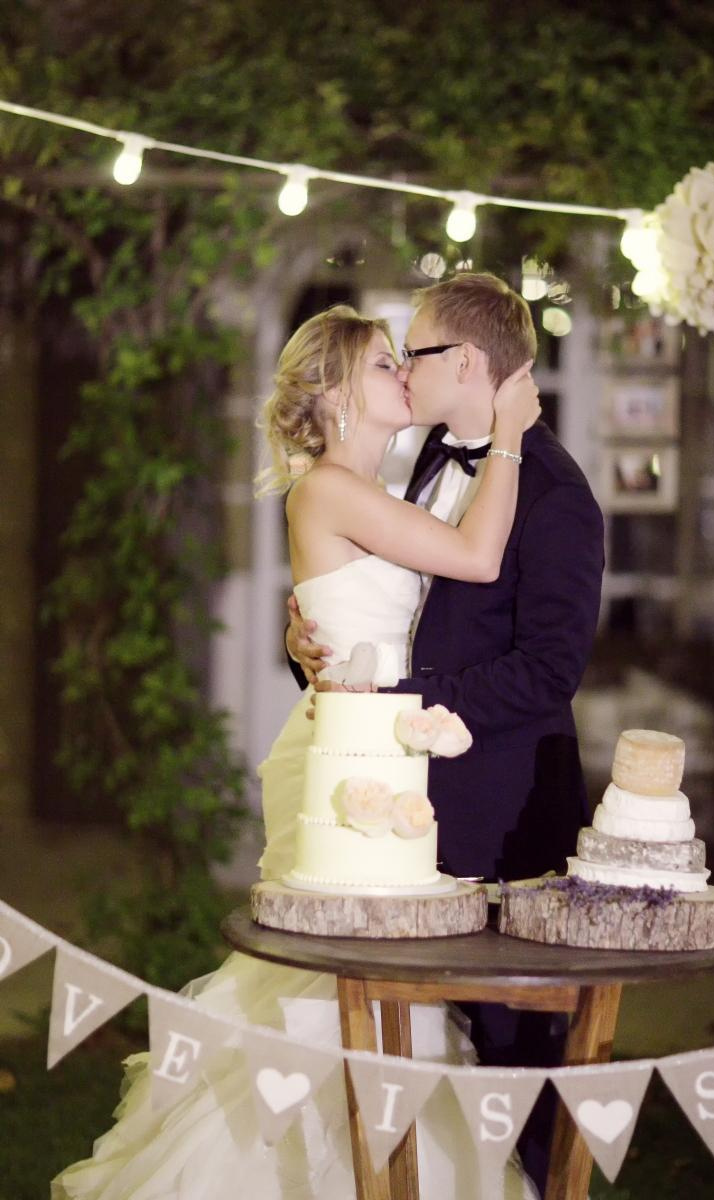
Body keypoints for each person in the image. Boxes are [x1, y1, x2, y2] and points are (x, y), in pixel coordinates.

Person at [52, 304, 540, 1200]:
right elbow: (474, 558)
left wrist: (305, 631)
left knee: (376, 983)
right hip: (349, 765)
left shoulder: (364, 490)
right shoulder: (327, 488)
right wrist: (509, 431)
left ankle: (378, 1163)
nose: (402, 371)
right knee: (328, 991)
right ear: (335, 391)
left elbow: (384, 611)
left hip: (379, 751)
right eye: (383, 362)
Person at [287, 273, 605, 1194]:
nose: (401, 367)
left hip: (506, 819)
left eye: (411, 352)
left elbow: (551, 671)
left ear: (462, 361)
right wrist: (307, 638)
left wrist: (410, 703)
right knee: (419, 1061)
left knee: (514, 1069)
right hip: (411, 813)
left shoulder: (554, 494)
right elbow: (383, 610)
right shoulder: (423, 460)